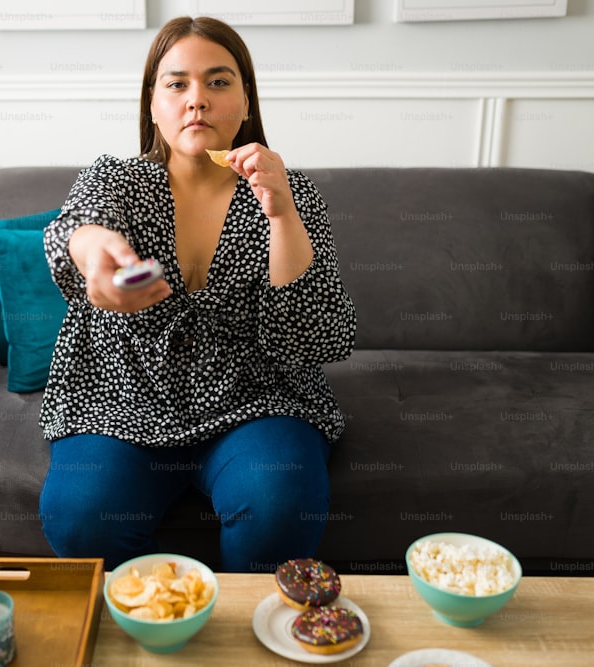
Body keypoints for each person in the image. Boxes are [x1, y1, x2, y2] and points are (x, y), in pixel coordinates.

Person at [38, 15, 356, 572]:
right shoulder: (114, 179)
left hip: (256, 398)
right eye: (177, 83)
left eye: (218, 81)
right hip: (124, 397)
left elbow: (315, 335)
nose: (197, 100)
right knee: (78, 517)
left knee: (282, 505)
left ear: (246, 101)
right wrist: (96, 256)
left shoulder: (291, 189)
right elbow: (76, 230)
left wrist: (281, 214)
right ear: (153, 103)